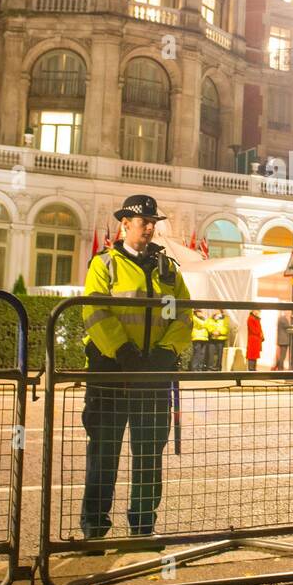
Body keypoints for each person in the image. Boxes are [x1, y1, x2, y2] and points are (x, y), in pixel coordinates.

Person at [80, 194, 192, 542]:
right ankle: (95, 529)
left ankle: (143, 528)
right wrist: (122, 350)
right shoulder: (104, 264)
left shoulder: (168, 270)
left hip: (153, 375)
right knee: (103, 454)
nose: (149, 228)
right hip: (111, 373)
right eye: (143, 222)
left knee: (148, 456)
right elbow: (95, 312)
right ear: (124, 225)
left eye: (153, 223)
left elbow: (182, 314)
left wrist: (166, 351)